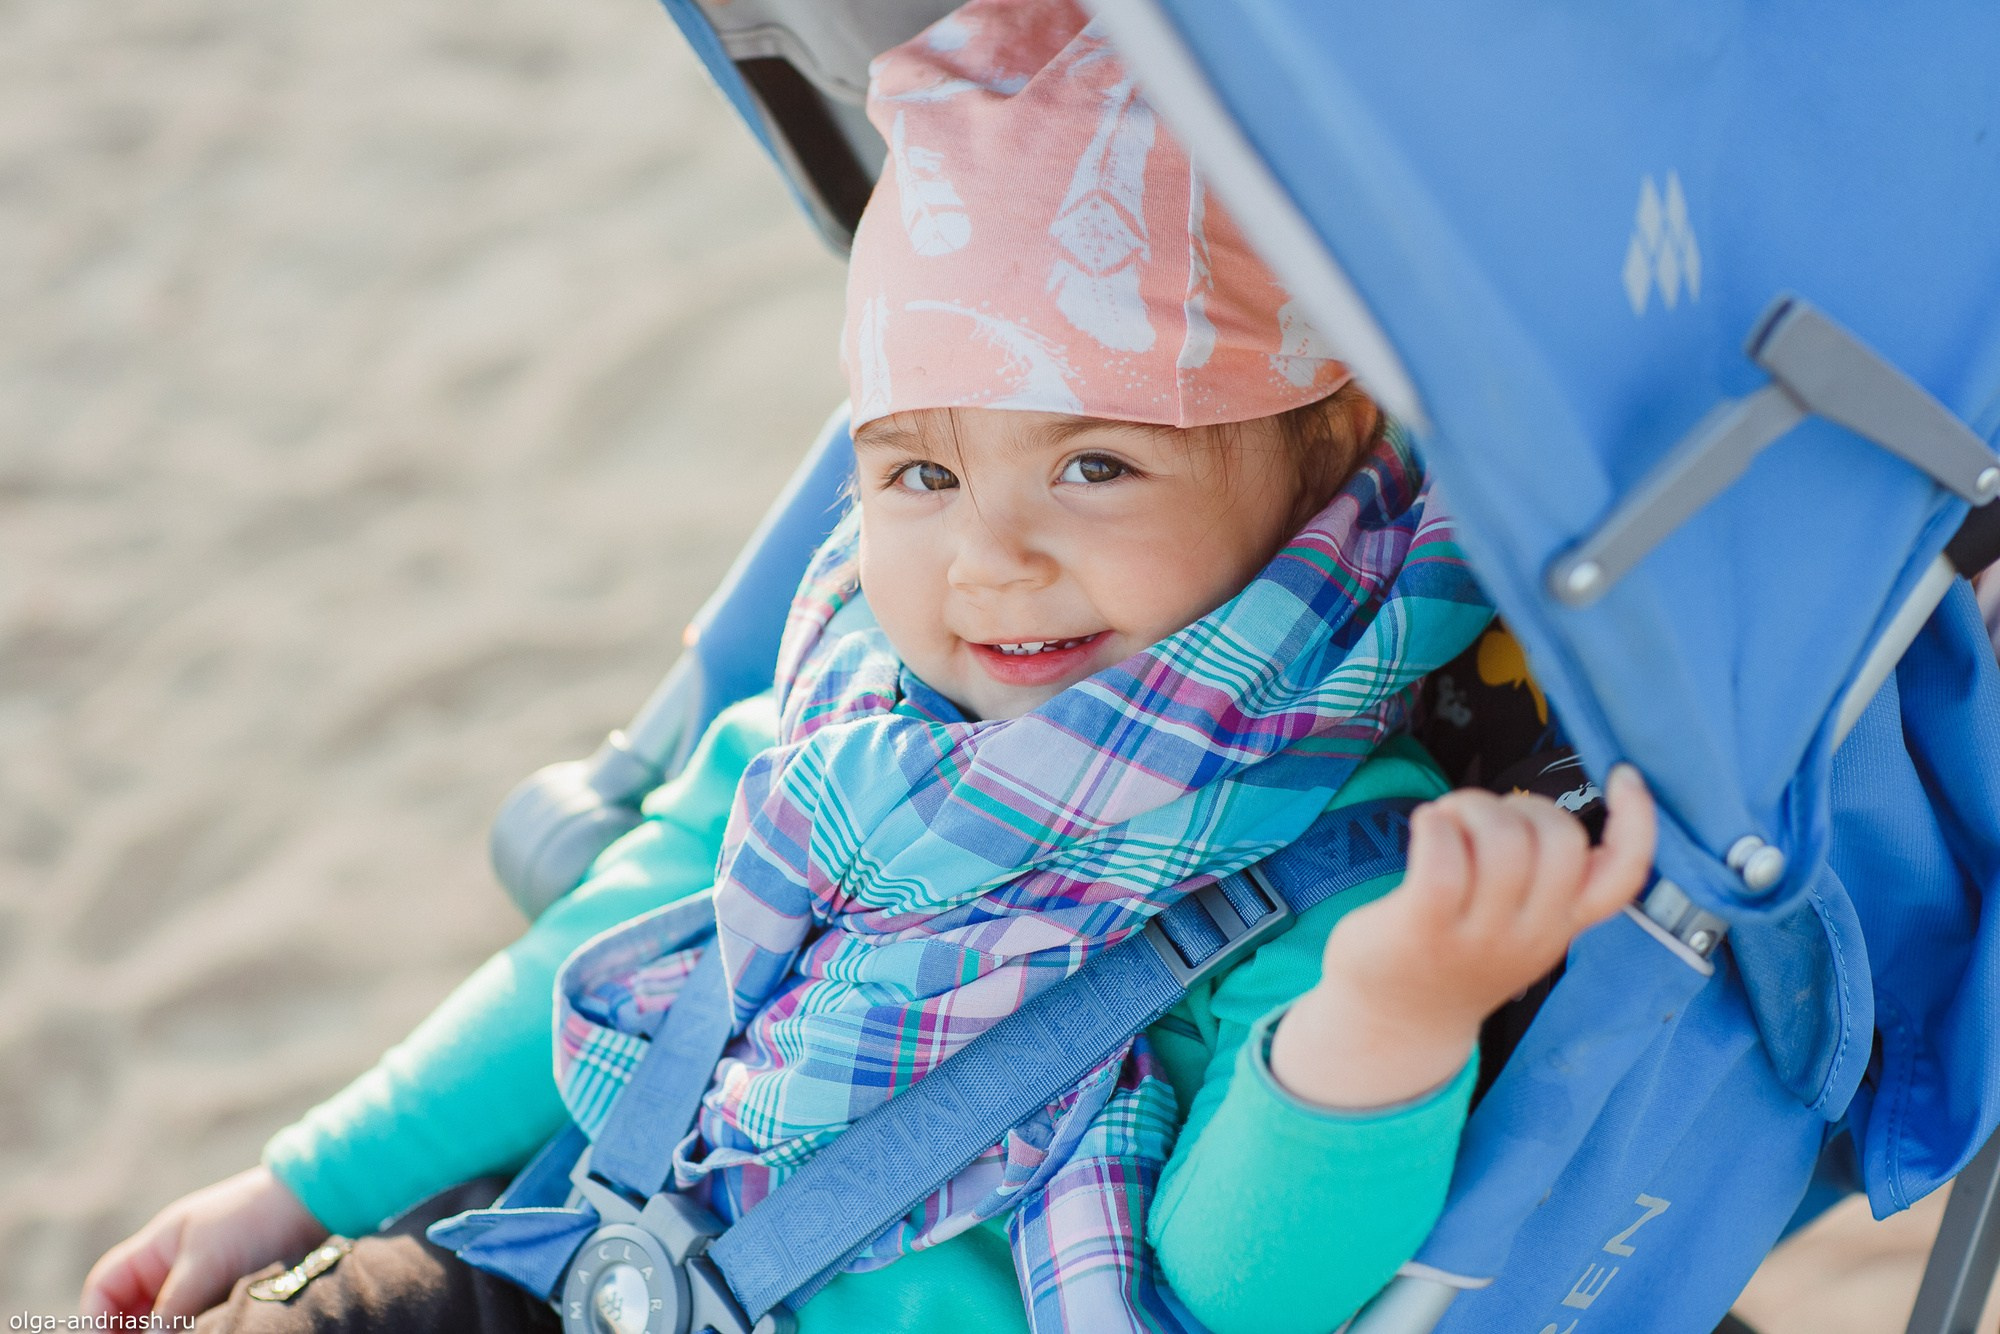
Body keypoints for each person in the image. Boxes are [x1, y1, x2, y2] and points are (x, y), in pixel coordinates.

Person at [82, 3, 1658, 1331]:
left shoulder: (1323, 853)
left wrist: (1394, 1017)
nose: (993, 555)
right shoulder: (836, 710)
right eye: (920, 474)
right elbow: (590, 947)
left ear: (1318, 482)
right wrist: (295, 1182)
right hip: (584, 1259)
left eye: (1097, 466)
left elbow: (1238, 1289)